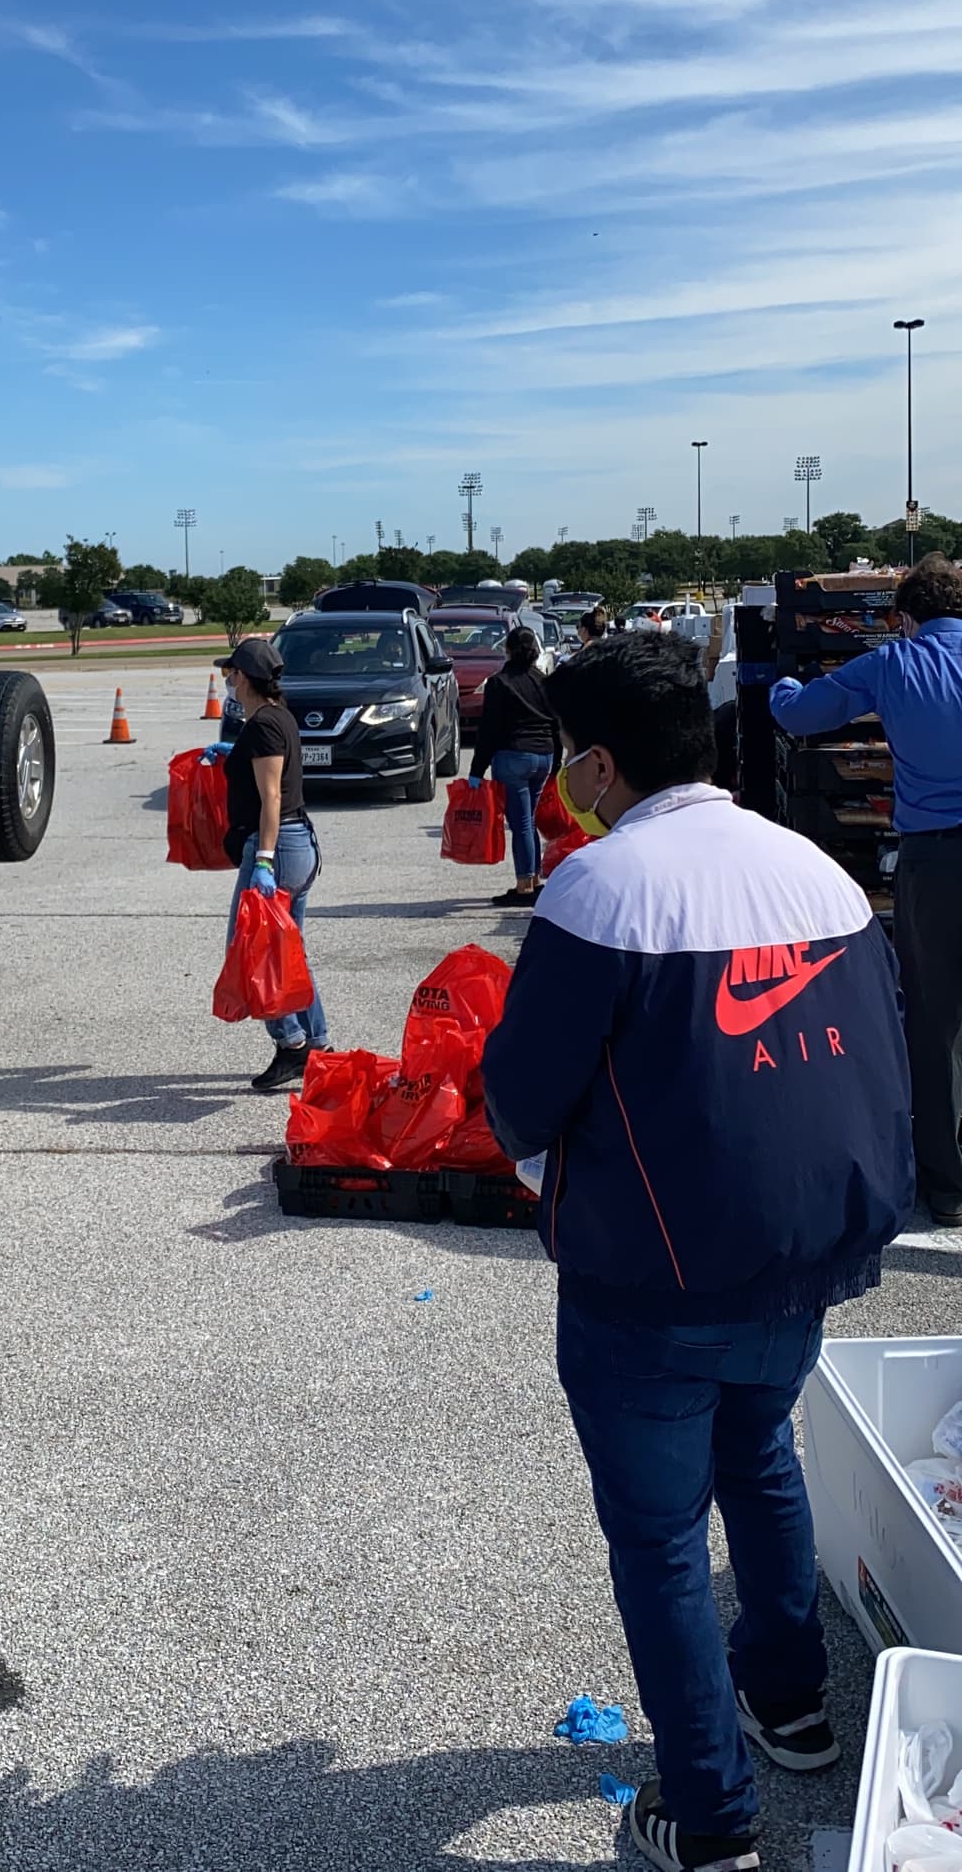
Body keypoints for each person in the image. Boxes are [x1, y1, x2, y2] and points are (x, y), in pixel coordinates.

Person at [483, 633, 913, 1872]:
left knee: (661, 1536)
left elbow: (521, 1094)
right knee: (761, 1457)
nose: (564, 775)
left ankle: (706, 1812)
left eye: (569, 755)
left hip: (649, 1281)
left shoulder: (601, 887)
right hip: (804, 1260)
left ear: (601, 762)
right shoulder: (819, 872)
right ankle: (791, 1704)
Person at [771, 553, 962, 1226]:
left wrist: (779, 685)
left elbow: (801, 717)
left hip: (937, 861)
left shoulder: (895, 663)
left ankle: (948, 1183)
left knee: (935, 1021)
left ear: (904, 616)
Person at [206, 636, 328, 1095]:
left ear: (245, 678)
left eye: (230, 673)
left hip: (278, 848)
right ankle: (316, 1042)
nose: (227, 681)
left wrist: (262, 859)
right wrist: (229, 757)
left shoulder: (264, 727)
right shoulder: (276, 718)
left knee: (253, 950)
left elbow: (272, 796)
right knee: (287, 952)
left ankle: (291, 1042)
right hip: (298, 843)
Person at [468, 624, 557, 907]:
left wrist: (476, 769)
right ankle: (532, 881)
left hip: (514, 756)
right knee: (528, 821)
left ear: (507, 649)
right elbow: (556, 723)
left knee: (520, 823)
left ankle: (523, 886)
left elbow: (489, 730)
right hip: (544, 754)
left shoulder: (499, 682)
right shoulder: (544, 681)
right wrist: (557, 762)